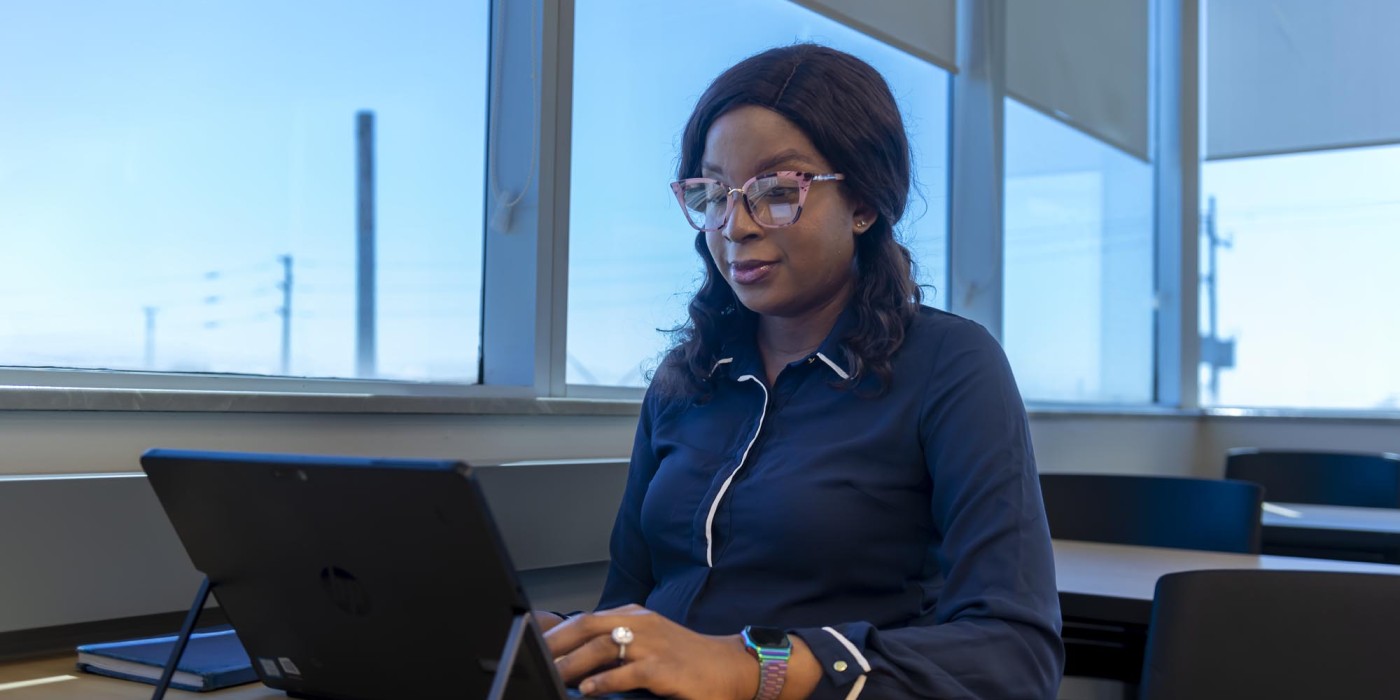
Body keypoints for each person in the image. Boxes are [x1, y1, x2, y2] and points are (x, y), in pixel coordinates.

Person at [539, 43, 1063, 699]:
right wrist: (559, 643)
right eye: (713, 194)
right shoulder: (687, 378)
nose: (735, 226)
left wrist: (751, 668)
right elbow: (628, 608)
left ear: (865, 203)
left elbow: (1014, 657)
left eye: (778, 192)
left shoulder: (950, 367)